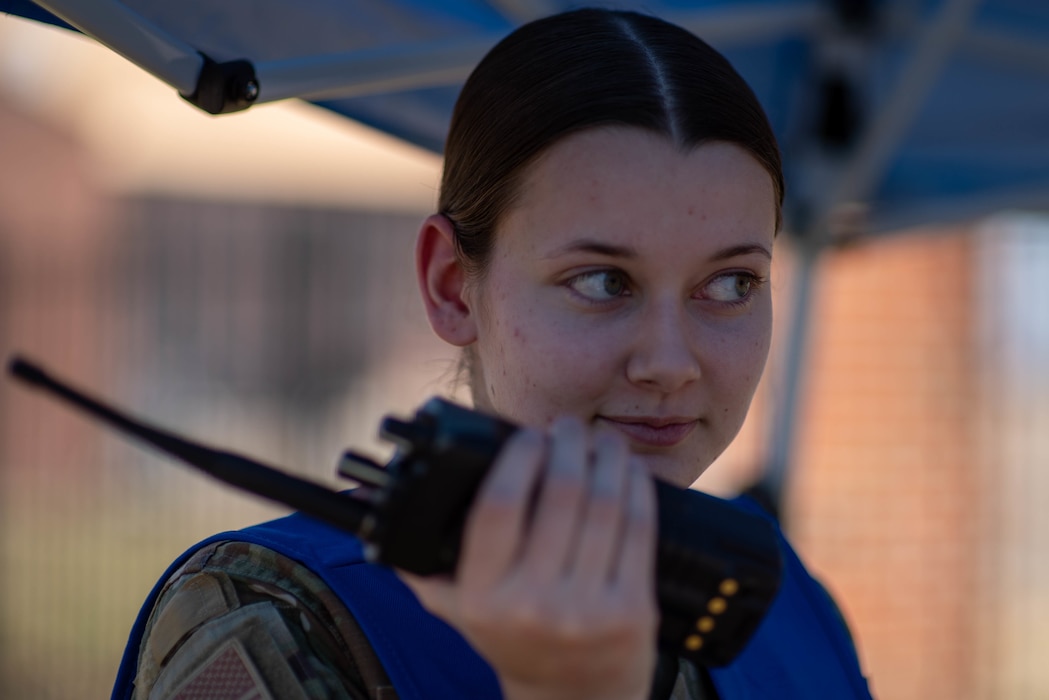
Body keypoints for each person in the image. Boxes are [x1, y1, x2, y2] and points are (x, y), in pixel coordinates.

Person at [113, 8, 873, 700]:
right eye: (604, 282)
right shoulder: (277, 617)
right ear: (451, 287)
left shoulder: (783, 599)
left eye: (731, 283)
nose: (670, 363)